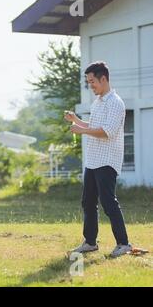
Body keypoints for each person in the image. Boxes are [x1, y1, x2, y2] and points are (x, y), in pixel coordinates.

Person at [65, 61, 132, 258]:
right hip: (93, 161)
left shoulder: (116, 103)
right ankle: (90, 242)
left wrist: (82, 131)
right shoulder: (98, 102)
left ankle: (124, 244)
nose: (90, 85)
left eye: (92, 81)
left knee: (108, 202)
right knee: (88, 202)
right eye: (88, 82)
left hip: (107, 160)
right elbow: (93, 125)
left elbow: (106, 132)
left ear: (103, 79)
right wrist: (76, 120)